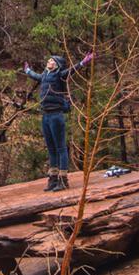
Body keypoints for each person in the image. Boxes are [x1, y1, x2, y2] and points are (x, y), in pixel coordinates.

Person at [23, 52, 94, 192]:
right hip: (46, 115)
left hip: (56, 115)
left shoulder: (60, 75)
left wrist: (83, 62)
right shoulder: (44, 75)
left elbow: (71, 71)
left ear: (57, 64)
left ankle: (63, 180)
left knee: (61, 148)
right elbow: (34, 76)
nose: (49, 62)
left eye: (52, 61)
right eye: (49, 60)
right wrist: (27, 70)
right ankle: (53, 179)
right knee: (51, 148)